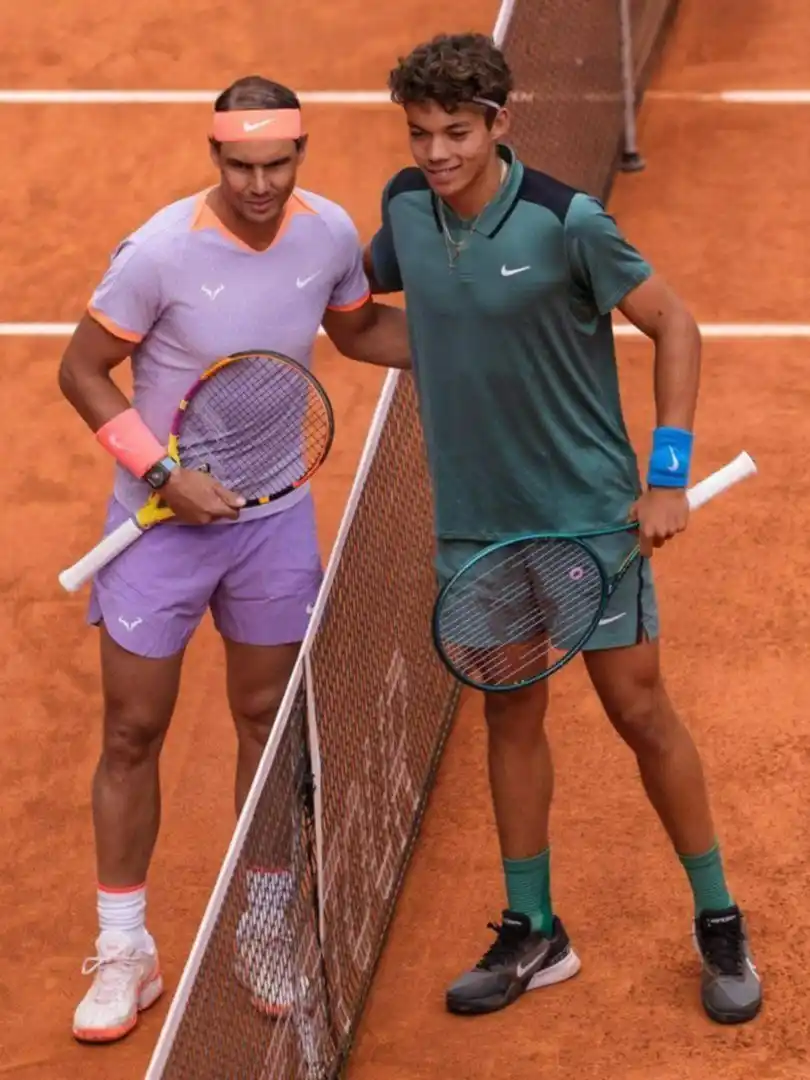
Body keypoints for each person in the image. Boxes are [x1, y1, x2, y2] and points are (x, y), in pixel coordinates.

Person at [362, 33, 762, 1025]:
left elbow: (675, 325)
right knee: (509, 715)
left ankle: (718, 918)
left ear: (500, 121)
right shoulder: (404, 209)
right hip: (477, 527)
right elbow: (366, 316)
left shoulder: (567, 221)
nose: (437, 153)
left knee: (640, 712)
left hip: (586, 518)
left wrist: (666, 476)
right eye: (420, 134)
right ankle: (534, 928)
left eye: (457, 133)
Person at [58, 74, 411, 1044]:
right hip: (160, 528)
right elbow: (81, 370)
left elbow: (358, 330)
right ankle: (125, 947)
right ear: (214, 155)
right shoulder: (158, 253)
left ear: (301, 154)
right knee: (132, 730)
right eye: (243, 165)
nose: (261, 184)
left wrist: (471, 342)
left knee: (267, 722)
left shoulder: (329, 234)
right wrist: (163, 474)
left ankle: (262, 925)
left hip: (273, 523)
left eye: (278, 164)